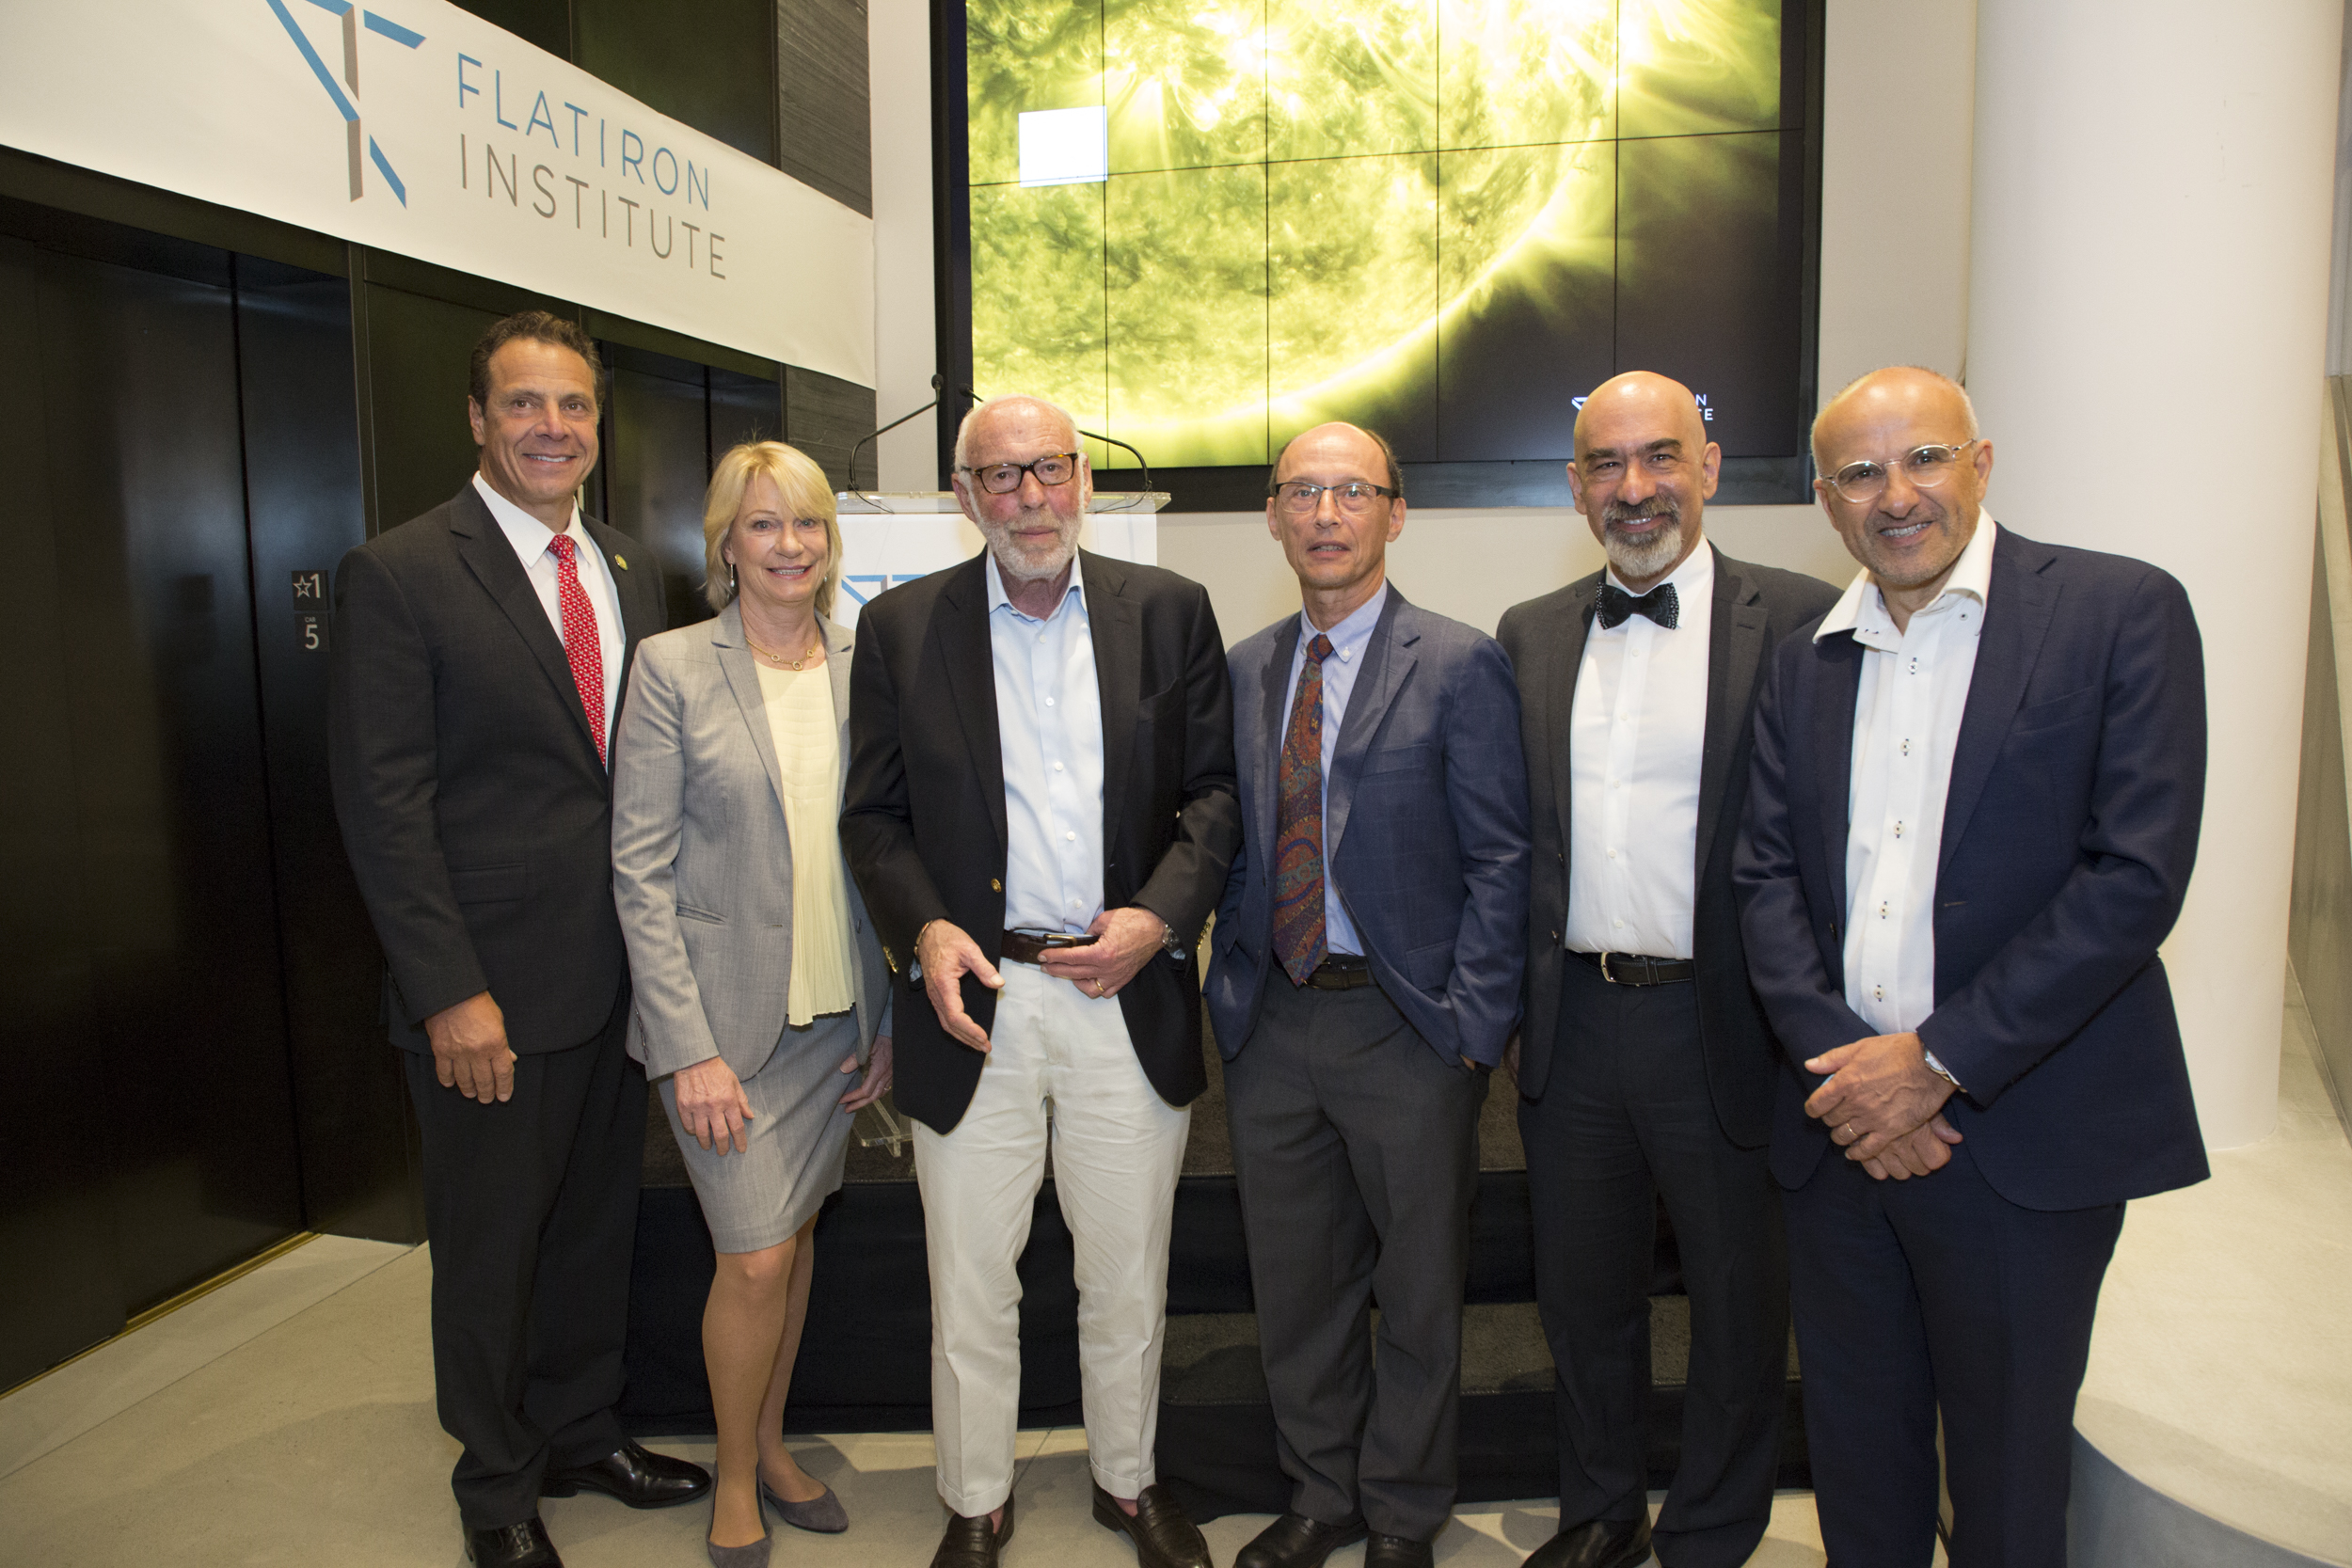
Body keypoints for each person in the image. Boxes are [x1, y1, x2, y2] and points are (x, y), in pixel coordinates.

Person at [1734, 365, 2209, 1565]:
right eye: (1858, 472)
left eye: (1923, 458)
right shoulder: (1804, 660)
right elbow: (1763, 881)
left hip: (2017, 1141)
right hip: (1841, 1133)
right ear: (1825, 501)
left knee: (2003, 1486)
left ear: (1981, 461)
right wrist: (1857, 1077)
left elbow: (2132, 877)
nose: (1895, 494)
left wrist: (1935, 1065)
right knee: (1858, 1459)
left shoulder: (2116, 610)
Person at [328, 311, 707, 1568]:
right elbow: (383, 809)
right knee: (492, 1246)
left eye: (575, 407)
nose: (555, 426)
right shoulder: (401, 571)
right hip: (490, 988)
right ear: (479, 421)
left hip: (618, 977)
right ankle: (495, 1485)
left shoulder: (623, 560)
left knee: (596, 1222)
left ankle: (581, 1425)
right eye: (526, 404)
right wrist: (448, 991)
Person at [839, 394, 1241, 1568]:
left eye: (1050, 470)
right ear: (966, 494)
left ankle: (1128, 1481)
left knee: (1128, 1272)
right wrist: (925, 931)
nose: (1029, 497)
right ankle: (975, 1497)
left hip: (1128, 990)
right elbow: (872, 815)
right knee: (969, 1278)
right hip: (978, 1003)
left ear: (1082, 482)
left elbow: (1214, 797)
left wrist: (1157, 919)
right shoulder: (905, 627)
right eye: (1002, 476)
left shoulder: (1168, 612)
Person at [1495, 372, 1836, 1568]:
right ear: (1574, 485)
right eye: (1605, 464)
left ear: (1710, 462)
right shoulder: (1529, 631)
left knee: (1740, 1304)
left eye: (1658, 457)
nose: (1633, 488)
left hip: (1726, 1022)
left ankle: (1710, 1527)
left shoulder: (1799, 618)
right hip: (1573, 1023)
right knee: (1583, 1299)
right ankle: (1600, 1515)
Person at [1205, 422, 1530, 1568]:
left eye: (1352, 491)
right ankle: (1320, 1494)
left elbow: (1502, 858)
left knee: (1419, 1287)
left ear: (1395, 513)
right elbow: (1233, 843)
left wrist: (1472, 1030)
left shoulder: (1457, 660)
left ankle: (1399, 1509)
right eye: (1304, 490)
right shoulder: (1242, 668)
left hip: (1408, 1027)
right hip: (1274, 1019)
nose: (1327, 512)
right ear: (1274, 514)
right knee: (1298, 1289)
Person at [609, 442, 896, 1567]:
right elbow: (639, 871)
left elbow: (880, 847)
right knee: (756, 1256)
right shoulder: (673, 665)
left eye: (810, 526)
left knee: (799, 1227)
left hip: (835, 1017)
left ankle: (774, 1445)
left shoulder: (865, 662)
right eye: (765, 525)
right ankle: (735, 1474)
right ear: (727, 541)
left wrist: (881, 1025)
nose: (790, 547)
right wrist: (688, 1050)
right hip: (723, 1027)